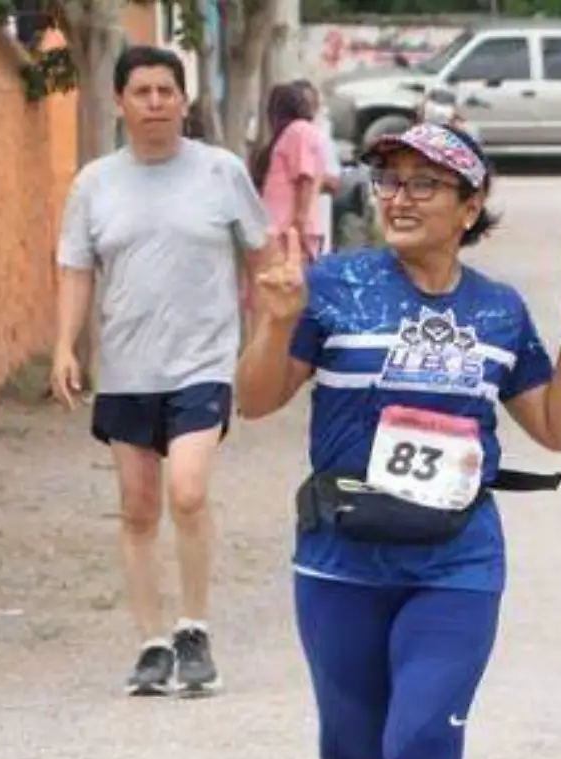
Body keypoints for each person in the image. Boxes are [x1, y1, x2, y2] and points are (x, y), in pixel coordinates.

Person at [234, 120, 561, 759]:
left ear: (470, 208)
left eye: (425, 185)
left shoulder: (495, 313)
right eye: (389, 180)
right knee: (354, 743)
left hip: (457, 560)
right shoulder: (332, 289)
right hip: (340, 559)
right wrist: (277, 320)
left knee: (426, 739)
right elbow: (253, 403)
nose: (399, 198)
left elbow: (554, 428)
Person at [52, 45, 272, 698]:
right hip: (127, 368)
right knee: (139, 507)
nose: (154, 103)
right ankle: (151, 642)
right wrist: (65, 344)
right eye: (141, 92)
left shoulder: (220, 171)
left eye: (165, 91)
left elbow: (259, 257)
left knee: (189, 491)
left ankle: (194, 628)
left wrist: (264, 337)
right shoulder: (95, 183)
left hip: (203, 363)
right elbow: (76, 268)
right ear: (120, 102)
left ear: (183, 99)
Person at [253, 82, 330, 262]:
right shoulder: (292, 133)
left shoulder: (298, 131)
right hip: (281, 231)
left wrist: (299, 226)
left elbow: (305, 177)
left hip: (289, 232)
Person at [291, 78, 345, 254]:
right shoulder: (282, 138)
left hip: (315, 225)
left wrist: (307, 181)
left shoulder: (320, 138)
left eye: (310, 105)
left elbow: (334, 182)